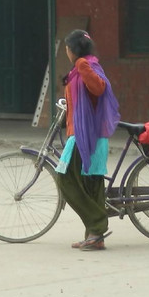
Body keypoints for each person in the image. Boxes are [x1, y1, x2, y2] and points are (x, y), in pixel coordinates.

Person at [54, 29, 120, 252]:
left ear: (73, 50)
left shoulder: (85, 65)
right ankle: (94, 236)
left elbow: (99, 88)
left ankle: (97, 222)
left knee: (64, 177)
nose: (66, 52)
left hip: (87, 135)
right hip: (87, 132)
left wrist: (82, 66)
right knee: (91, 183)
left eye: (67, 48)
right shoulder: (81, 67)